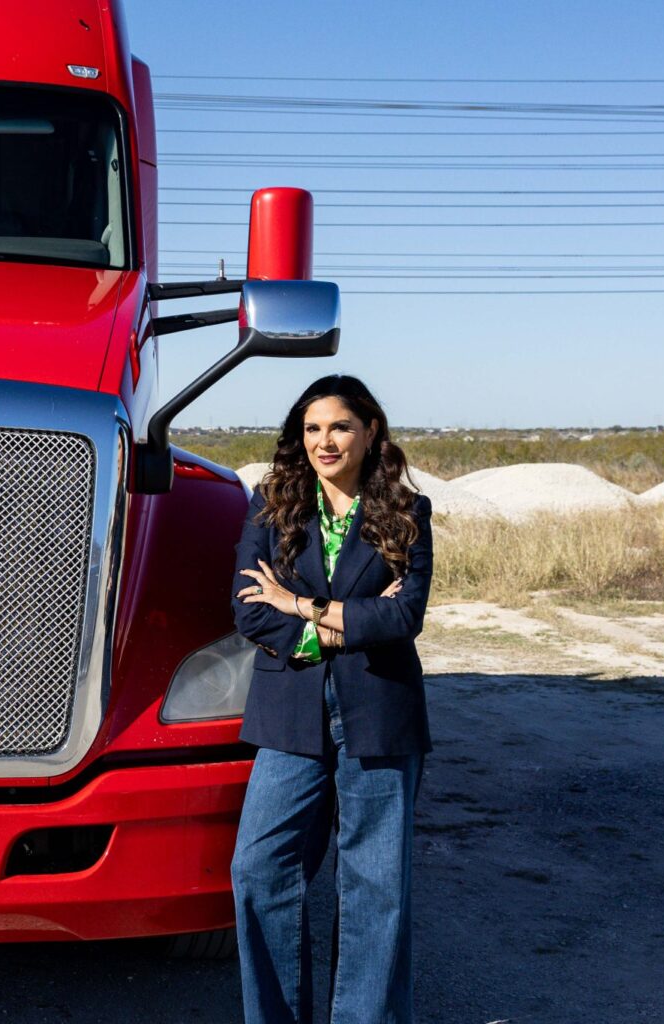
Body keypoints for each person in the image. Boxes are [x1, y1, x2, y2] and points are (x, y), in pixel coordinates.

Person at [228, 374, 434, 1024]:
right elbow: (249, 612)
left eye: (340, 426)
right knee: (258, 868)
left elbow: (404, 619)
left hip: (379, 715)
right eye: (313, 428)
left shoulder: (406, 512)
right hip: (290, 715)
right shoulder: (271, 509)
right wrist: (339, 623)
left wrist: (301, 605)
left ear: (370, 432)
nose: (325, 440)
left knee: (377, 891)